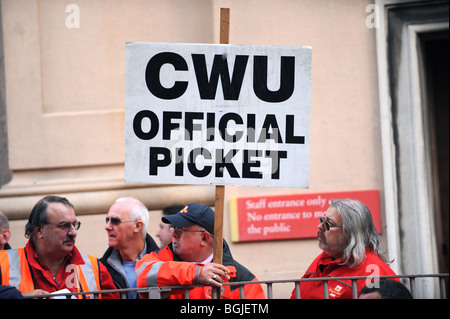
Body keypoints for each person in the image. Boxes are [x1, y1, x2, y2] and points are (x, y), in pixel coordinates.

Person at [136, 204, 265, 299]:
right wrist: (197, 273)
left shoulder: (243, 280)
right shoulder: (160, 258)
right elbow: (142, 276)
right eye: (173, 229)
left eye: (180, 231)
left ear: (204, 238)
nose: (174, 235)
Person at [0, 195, 118, 298]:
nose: (73, 232)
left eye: (74, 225)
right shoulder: (3, 263)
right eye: (64, 226)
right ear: (39, 230)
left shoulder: (95, 268)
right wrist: (20, 297)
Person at [290, 198, 398, 299]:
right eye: (321, 220)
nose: (320, 227)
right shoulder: (325, 258)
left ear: (350, 233)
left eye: (328, 223)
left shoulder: (373, 271)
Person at [100, 197, 159, 298]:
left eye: (115, 221)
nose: (107, 227)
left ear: (137, 226)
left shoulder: (164, 264)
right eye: (107, 220)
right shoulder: (100, 269)